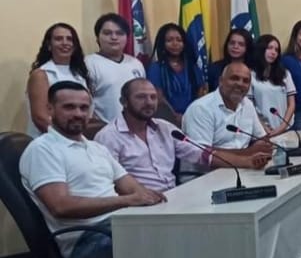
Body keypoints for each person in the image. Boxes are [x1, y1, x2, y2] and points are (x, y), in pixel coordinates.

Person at [20, 81, 165, 258]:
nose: (78, 114)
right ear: (50, 109)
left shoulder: (96, 148)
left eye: (84, 108)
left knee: (181, 233)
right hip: (87, 240)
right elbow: (61, 206)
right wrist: (127, 201)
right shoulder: (42, 149)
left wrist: (148, 199)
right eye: (69, 107)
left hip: (118, 224)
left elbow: (132, 188)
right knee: (166, 245)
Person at [95, 79, 269, 192]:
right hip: (135, 208)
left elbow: (202, 154)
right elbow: (109, 184)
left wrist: (247, 162)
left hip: (172, 198)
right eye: (141, 97)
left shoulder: (165, 128)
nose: (149, 102)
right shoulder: (108, 137)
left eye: (153, 97)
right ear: (124, 102)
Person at [181, 62, 271, 177]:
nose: (240, 84)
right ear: (221, 81)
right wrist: (249, 153)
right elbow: (202, 155)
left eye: (245, 81)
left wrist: (261, 149)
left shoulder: (247, 104)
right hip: (203, 177)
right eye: (234, 78)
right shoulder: (201, 108)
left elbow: (262, 138)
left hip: (242, 170)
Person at [26, 23, 89, 138]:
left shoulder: (80, 76)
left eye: (69, 39)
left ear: (74, 46)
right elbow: (41, 117)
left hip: (76, 140)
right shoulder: (41, 74)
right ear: (49, 45)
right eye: (59, 39)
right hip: (48, 141)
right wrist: (68, 138)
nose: (65, 43)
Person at [85, 13, 146, 124]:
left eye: (120, 33)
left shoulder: (136, 64)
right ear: (97, 37)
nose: (114, 37)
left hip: (135, 129)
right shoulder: (88, 64)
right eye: (107, 33)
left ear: (127, 37)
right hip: (102, 130)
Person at [146, 23, 205, 122]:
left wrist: (189, 115)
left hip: (192, 118)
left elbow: (200, 92)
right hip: (166, 119)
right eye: (169, 40)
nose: (175, 44)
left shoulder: (192, 67)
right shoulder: (156, 68)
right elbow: (158, 97)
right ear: (162, 43)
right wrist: (174, 116)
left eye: (179, 40)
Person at [250, 35, 296, 134]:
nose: (273, 52)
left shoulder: (285, 74)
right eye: (269, 48)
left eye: (276, 50)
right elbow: (250, 106)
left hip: (286, 128)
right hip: (262, 130)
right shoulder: (250, 75)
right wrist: (265, 128)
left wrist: (283, 126)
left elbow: (291, 104)